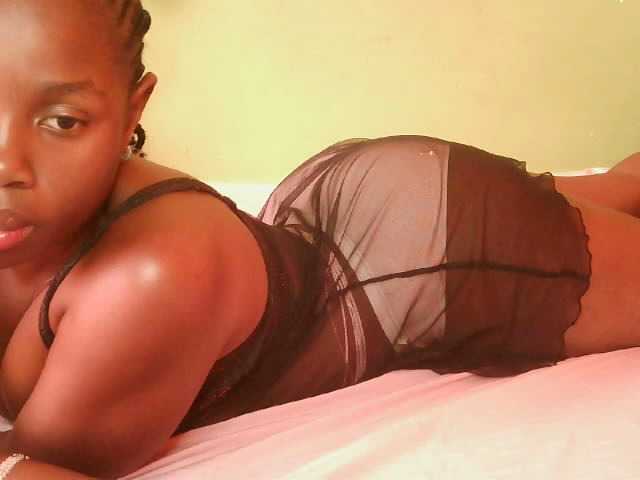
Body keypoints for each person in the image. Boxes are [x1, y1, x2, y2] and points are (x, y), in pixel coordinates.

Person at [0, 0, 640, 478]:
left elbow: (39, 465)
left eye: (63, 120)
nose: (6, 165)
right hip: (334, 216)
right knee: (622, 185)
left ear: (133, 112)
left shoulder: (147, 278)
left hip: (423, 262)